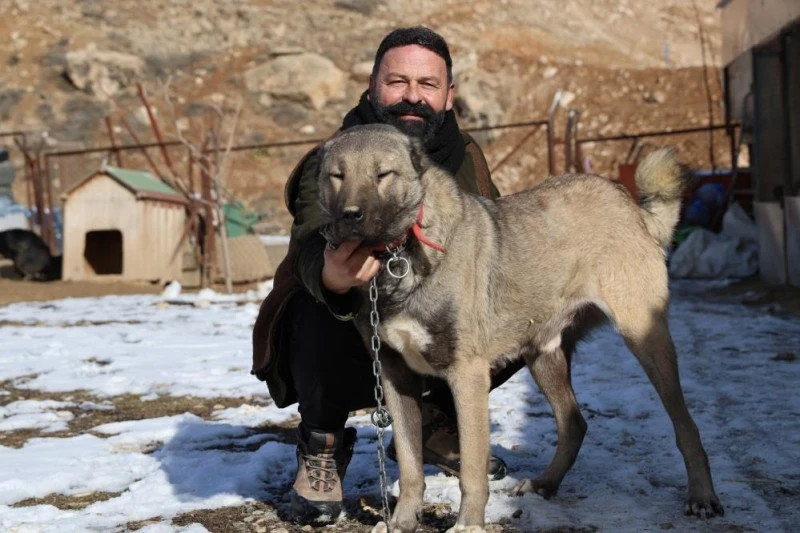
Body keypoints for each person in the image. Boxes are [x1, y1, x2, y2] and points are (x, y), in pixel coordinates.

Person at [251, 26, 524, 523]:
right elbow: (310, 240)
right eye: (397, 82)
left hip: (431, 329)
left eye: (428, 84)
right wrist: (332, 275)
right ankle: (323, 441)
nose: (412, 96)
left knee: (510, 308)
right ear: (374, 86)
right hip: (348, 343)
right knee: (322, 308)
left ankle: (432, 417)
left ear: (448, 95)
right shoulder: (335, 157)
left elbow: (496, 242)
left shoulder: (466, 158)